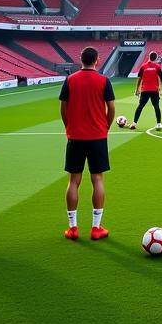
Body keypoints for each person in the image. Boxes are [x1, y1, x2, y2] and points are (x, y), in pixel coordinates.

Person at [59, 46, 115, 240]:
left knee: (74, 181)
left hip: (75, 136)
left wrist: (69, 127)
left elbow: (63, 108)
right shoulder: (104, 81)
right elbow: (111, 108)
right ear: (97, 60)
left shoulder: (70, 80)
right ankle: (96, 228)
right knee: (97, 179)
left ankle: (72, 228)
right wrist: (105, 127)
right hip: (97, 136)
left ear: (80, 59)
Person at [131, 50, 162, 130]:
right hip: (154, 91)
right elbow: (161, 79)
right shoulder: (157, 67)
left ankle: (134, 123)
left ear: (149, 57)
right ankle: (159, 124)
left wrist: (137, 90)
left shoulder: (143, 66)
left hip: (144, 90)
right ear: (156, 58)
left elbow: (139, 79)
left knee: (140, 106)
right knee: (156, 107)